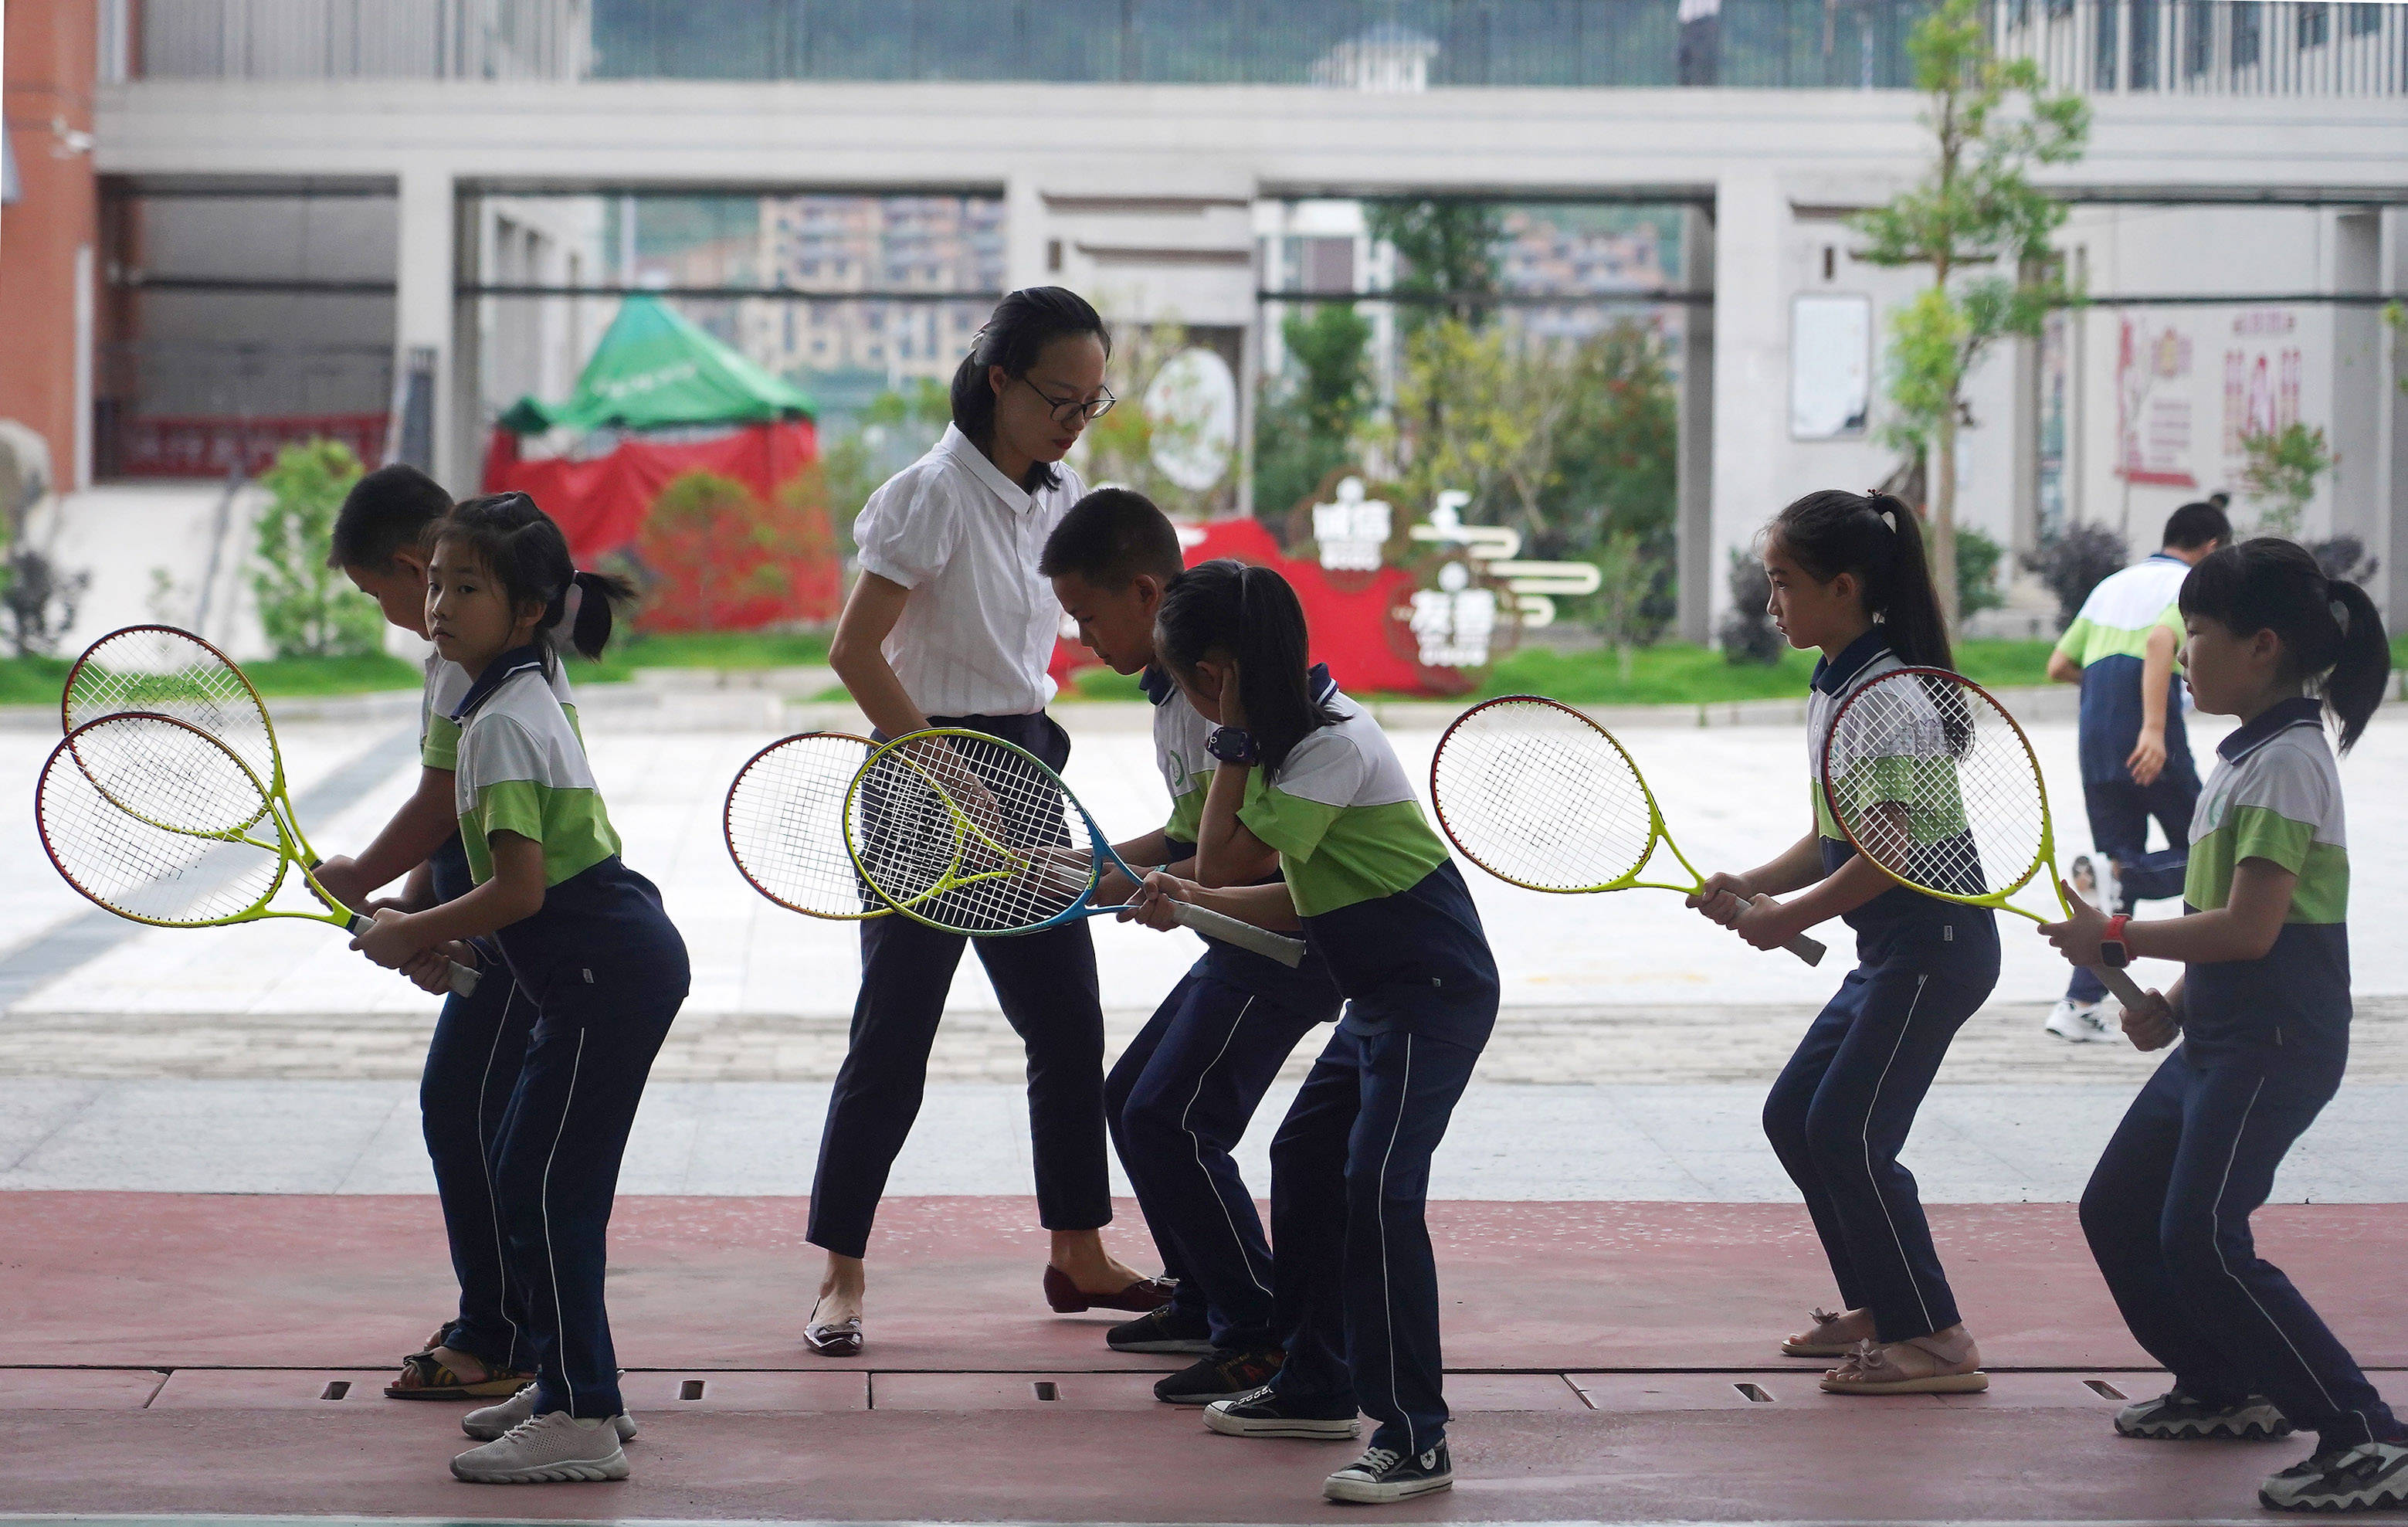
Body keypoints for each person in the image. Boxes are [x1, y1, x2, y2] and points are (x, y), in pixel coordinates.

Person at [807, 287, 1164, 1358]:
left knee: (1065, 1024)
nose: (1071, 419)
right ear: (998, 380)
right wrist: (941, 767)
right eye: (1058, 396)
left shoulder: (1054, 503)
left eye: (1090, 403)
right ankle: (840, 1276)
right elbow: (853, 653)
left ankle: (1077, 1249)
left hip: (1024, 766)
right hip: (927, 779)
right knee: (894, 1034)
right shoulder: (927, 497)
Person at [2040, 539, 2406, 1514]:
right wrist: (2164, 1002)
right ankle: (2222, 1381)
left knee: (2202, 1235)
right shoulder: (2243, 759)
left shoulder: (2288, 764)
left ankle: (2364, 1429)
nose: (2180, 651)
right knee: (2117, 1209)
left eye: (2196, 634)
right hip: (2222, 1031)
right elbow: (2224, 931)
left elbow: (2251, 931)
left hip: (2276, 1037)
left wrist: (2111, 935)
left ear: (2263, 646)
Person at [1132, 560, 1499, 1505]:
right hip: (1378, 995)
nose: (1189, 705)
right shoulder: (1286, 740)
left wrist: (1226, 769)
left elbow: (1223, 858)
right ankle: (1314, 1382)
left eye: (1187, 682)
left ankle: (1416, 1438)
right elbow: (1295, 898)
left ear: (1214, 675)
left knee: (1378, 1193)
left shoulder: (1327, 743)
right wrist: (1193, 898)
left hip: (1433, 992)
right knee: (1303, 1159)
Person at [352, 494, 687, 1485]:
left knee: (543, 1190)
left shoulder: (502, 718)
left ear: (531, 609)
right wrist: (369, 886)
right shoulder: (495, 693)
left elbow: (519, 887)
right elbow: (451, 833)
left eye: (468, 587)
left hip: (601, 975)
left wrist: (412, 925)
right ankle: (580, 1391)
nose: (441, 603)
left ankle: (581, 1414)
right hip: (594, 968)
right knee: (529, 1176)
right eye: (436, 582)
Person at [1687, 490, 2001, 1396]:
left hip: (1934, 944)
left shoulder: (1885, 697)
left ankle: (1936, 1341)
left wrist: (1789, 917)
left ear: (1844, 586)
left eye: (1783, 583)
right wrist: (1757, 884)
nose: (1771, 602)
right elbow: (1837, 838)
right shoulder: (1840, 684)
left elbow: (1890, 854)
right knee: (1797, 1117)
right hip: (1895, 950)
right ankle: (1880, 1305)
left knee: (1848, 1133)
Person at [1039, 490, 1345, 1407]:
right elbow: (1184, 836)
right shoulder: (1181, 693)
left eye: (1088, 616)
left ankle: (1257, 1332)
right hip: (1243, 935)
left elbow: (1214, 856)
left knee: (1171, 1120)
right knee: (1132, 1097)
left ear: (1146, 595)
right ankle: (1207, 1295)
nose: (1084, 638)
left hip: (1285, 943)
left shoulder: (1215, 693)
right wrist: (1077, 866)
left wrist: (1120, 878)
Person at [312, 464, 598, 1407]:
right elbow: (463, 824)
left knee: (488, 1129)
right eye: (434, 587)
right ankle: (522, 1338)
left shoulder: (490, 683)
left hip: (556, 936)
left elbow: (451, 814)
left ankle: (515, 1344)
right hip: (529, 929)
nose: (421, 607)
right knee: (486, 1127)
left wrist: (381, 893)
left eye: (386, 592)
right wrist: (413, 911)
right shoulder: (482, 656)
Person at [2041, 500, 2229, 1043]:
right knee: (2215, 857)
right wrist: (2150, 726)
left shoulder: (2111, 585)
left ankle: (2079, 1003)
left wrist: (2107, 697)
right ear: (2213, 547)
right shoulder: (2190, 583)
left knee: (2111, 881)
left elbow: (2058, 665)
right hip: (2151, 735)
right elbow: (2159, 643)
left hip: (2095, 739)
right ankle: (2127, 877)